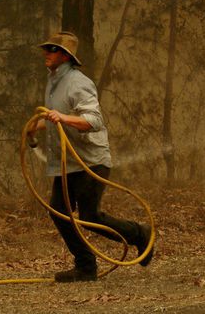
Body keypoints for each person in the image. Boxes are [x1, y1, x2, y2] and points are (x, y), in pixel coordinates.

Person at [27, 31, 153, 282]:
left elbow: (93, 121)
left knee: (90, 218)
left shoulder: (78, 82)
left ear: (64, 56)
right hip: (68, 164)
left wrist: (61, 118)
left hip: (90, 161)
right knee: (59, 212)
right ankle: (86, 266)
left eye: (51, 50)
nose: (46, 53)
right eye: (47, 48)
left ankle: (140, 234)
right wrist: (35, 127)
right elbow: (57, 117)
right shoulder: (53, 81)